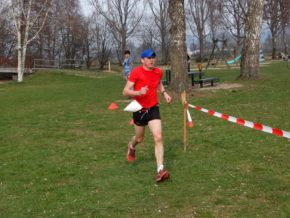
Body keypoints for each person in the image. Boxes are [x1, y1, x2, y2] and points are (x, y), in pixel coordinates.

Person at [122, 49, 172, 182]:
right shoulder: (136, 72)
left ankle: (160, 170)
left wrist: (164, 93)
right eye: (149, 58)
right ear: (143, 60)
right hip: (138, 109)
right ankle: (131, 146)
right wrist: (138, 92)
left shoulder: (158, 72)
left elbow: (159, 83)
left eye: (153, 57)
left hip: (153, 108)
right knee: (139, 138)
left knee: (158, 137)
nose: (152, 60)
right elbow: (125, 91)